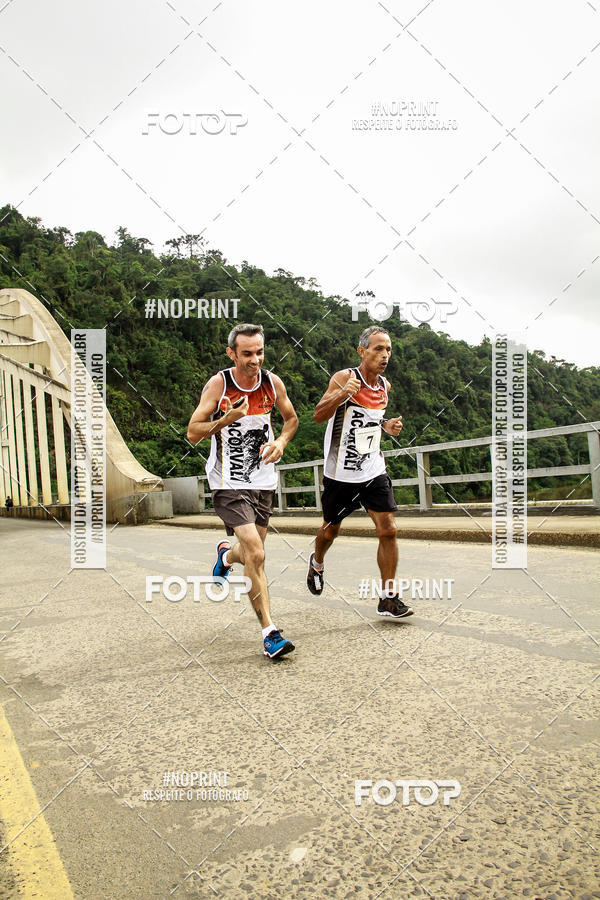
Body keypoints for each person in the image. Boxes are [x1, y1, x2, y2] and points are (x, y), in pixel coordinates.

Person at [187, 323, 299, 659]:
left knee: (251, 553)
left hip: (262, 480)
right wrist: (227, 419)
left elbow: (291, 419)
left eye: (259, 352)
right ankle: (270, 633)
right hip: (228, 481)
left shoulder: (272, 383)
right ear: (232, 354)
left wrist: (281, 442)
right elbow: (193, 432)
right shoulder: (219, 384)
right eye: (247, 353)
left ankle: (225, 556)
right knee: (257, 553)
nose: (255, 360)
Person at [306, 325, 413, 618]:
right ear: (362, 351)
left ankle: (388, 598)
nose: (385, 355)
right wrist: (342, 394)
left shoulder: (384, 386)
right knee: (330, 530)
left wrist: (386, 425)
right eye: (378, 349)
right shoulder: (344, 378)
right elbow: (318, 415)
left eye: (388, 349)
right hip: (341, 473)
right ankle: (317, 562)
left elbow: (371, 421)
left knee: (388, 529)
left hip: (372, 469)